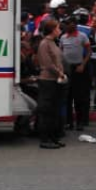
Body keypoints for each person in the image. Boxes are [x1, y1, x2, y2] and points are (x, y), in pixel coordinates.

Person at [35, 18, 66, 149]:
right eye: (58, 28)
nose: (59, 30)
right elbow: (48, 64)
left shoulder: (53, 42)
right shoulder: (44, 43)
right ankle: (45, 139)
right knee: (46, 111)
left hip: (55, 80)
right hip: (47, 80)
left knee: (54, 111)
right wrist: (59, 72)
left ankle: (53, 138)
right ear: (52, 30)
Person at [59, 15, 92, 131]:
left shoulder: (82, 36)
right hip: (67, 69)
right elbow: (60, 52)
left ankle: (80, 122)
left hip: (79, 68)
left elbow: (89, 51)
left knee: (79, 97)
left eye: (69, 24)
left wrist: (83, 64)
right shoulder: (63, 37)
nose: (67, 26)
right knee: (67, 96)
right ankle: (69, 122)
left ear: (74, 24)